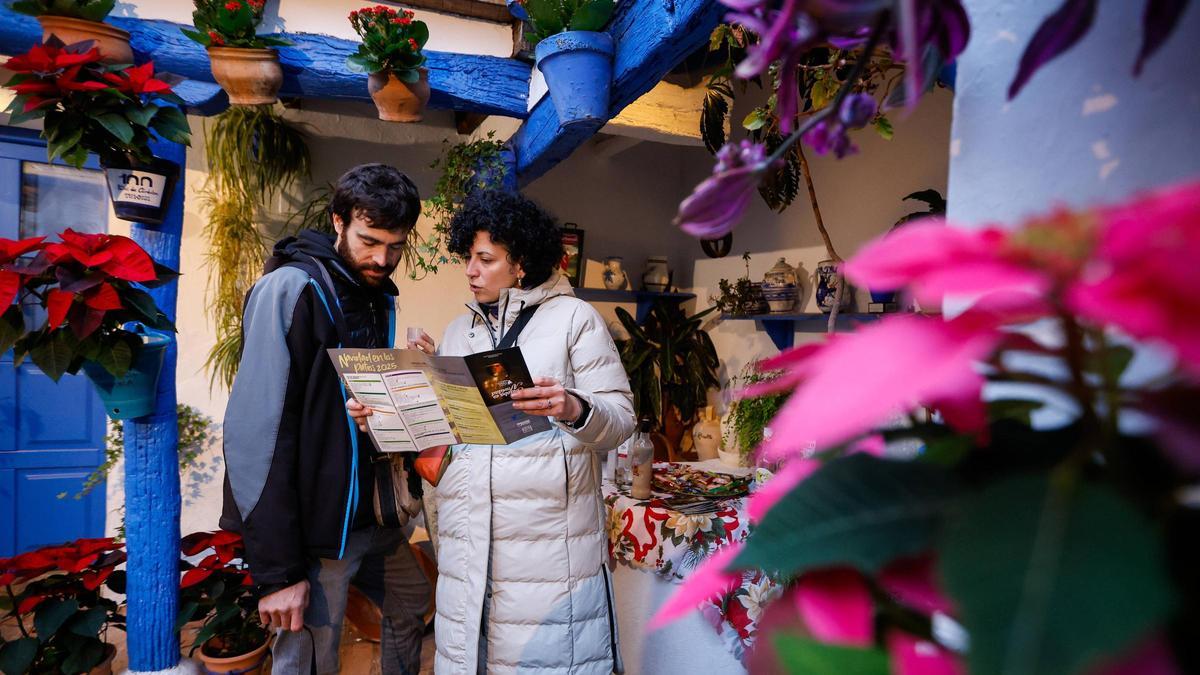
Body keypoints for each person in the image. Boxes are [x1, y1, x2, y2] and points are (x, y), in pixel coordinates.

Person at [349, 189, 635, 674]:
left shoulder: (575, 320)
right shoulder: (460, 331)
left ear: (520, 263)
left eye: (485, 259)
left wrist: (573, 406)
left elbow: (621, 420)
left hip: (546, 551)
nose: (470, 271)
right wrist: (388, 412)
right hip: (466, 543)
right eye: (468, 257)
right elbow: (446, 435)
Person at [221, 163, 431, 674]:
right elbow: (256, 435)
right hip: (318, 532)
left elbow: (347, 409)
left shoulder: (374, 294)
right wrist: (278, 572)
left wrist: (413, 382)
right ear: (339, 221)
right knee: (310, 659)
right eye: (369, 241)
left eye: (396, 246)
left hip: (373, 516)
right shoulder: (290, 289)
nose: (382, 259)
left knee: (413, 602)